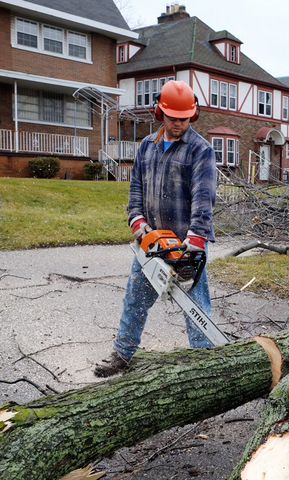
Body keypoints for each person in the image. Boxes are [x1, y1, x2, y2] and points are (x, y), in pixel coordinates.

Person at [94, 80, 217, 377]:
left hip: (184, 242)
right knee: (135, 298)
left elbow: (204, 197)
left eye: (184, 119)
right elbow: (135, 189)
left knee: (195, 305)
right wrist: (138, 222)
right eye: (173, 118)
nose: (178, 124)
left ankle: (205, 365)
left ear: (192, 116)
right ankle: (122, 354)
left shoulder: (200, 150)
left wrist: (195, 240)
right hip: (151, 241)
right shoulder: (146, 147)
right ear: (160, 113)